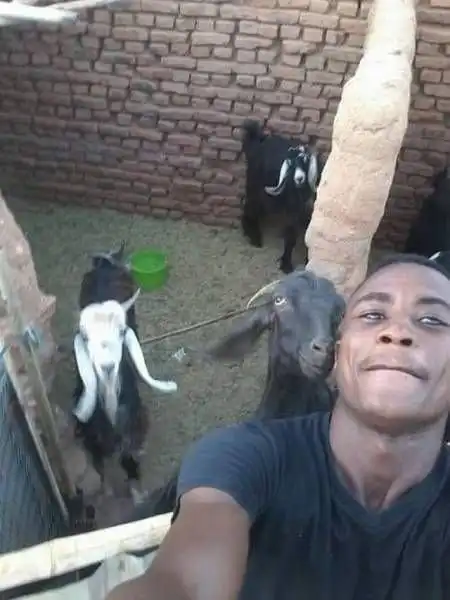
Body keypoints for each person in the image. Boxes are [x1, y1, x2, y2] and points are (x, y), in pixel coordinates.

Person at [107, 253, 450, 600]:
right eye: (373, 315)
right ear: (340, 350)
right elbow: (186, 580)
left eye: (433, 319)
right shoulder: (244, 456)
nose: (396, 332)